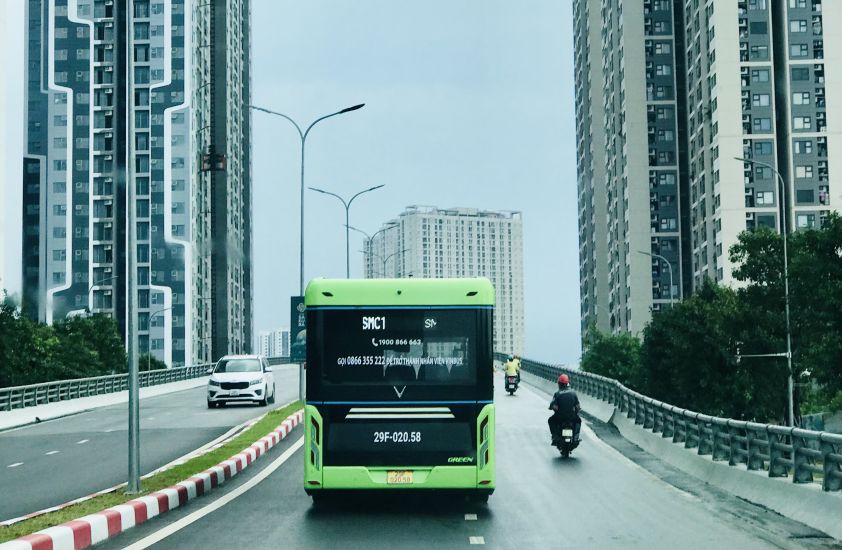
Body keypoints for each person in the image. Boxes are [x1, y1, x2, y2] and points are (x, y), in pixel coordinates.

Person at [548, 374, 581, 443]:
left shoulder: (557, 394)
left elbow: (554, 406)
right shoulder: (573, 393)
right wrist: (576, 413)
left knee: (550, 420)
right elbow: (578, 407)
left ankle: (555, 436)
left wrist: (553, 408)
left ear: (559, 384)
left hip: (560, 417)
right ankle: (575, 437)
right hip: (571, 416)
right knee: (578, 421)